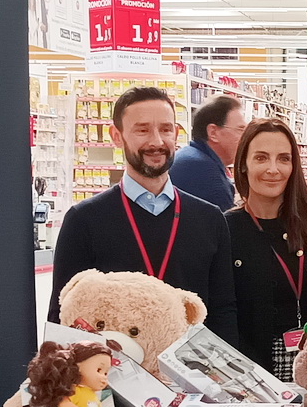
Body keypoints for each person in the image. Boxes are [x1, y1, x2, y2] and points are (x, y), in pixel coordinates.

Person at [50, 86, 240, 343]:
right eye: (142, 130)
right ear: (117, 136)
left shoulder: (209, 219)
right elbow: (62, 316)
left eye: (165, 129)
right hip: (114, 376)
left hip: (192, 376)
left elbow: (223, 311)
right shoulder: (84, 221)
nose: (157, 142)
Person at [227, 118, 307, 379]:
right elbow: (223, 314)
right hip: (251, 375)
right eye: (261, 158)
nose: (273, 169)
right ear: (243, 165)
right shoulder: (226, 229)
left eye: (284, 159)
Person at [171, 95, 246, 210]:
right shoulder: (206, 174)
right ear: (213, 132)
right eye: (240, 130)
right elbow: (224, 226)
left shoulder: (190, 156)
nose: (245, 138)